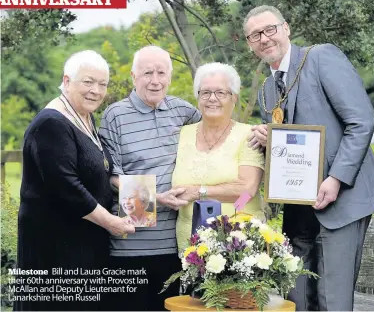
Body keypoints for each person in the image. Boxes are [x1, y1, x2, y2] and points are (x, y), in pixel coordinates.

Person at [244, 5, 374, 311]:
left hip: (343, 199)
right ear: (249, 43)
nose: (264, 38)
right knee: (297, 298)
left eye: (270, 29)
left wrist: (335, 179)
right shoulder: (268, 89)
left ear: (286, 29)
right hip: (299, 208)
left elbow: (361, 121)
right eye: (255, 34)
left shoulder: (320, 57)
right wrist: (268, 141)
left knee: (331, 300)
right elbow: (295, 145)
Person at [15, 50, 135, 311]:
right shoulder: (50, 123)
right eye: (88, 82)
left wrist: (149, 197)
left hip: (84, 241)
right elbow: (67, 188)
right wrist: (112, 222)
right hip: (55, 245)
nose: (96, 90)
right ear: (67, 81)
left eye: (102, 84)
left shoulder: (85, 118)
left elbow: (102, 172)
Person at [99, 45, 202, 311]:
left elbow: (218, 134)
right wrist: (156, 198)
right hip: (130, 245)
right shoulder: (115, 116)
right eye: (147, 73)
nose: (155, 80)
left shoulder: (185, 112)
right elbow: (112, 177)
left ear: (170, 75)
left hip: (175, 245)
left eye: (161, 73)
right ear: (134, 76)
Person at [171, 62, 266, 252]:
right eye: (205, 92)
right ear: (197, 97)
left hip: (239, 242)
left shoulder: (249, 135)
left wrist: (199, 192)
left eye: (221, 93)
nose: (212, 99)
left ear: (234, 98)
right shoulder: (182, 134)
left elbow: (248, 190)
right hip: (189, 245)